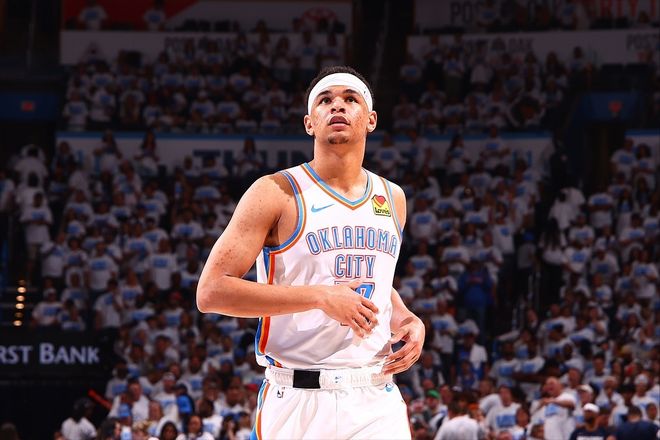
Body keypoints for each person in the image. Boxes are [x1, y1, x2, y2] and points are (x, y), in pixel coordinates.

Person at [197, 66, 424, 439]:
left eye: (350, 99)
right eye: (325, 100)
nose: (337, 106)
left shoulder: (393, 197)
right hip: (296, 397)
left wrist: (407, 319)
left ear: (371, 120)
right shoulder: (274, 191)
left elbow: (375, 283)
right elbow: (211, 292)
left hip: (374, 395)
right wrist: (320, 297)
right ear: (309, 123)